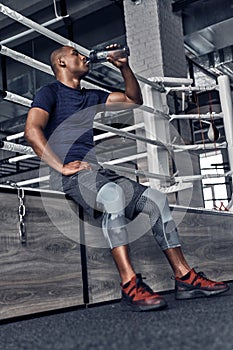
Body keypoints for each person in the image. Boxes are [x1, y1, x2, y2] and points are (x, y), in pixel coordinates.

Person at [25, 44, 229, 312]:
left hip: (94, 172)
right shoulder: (49, 93)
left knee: (156, 199)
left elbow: (134, 100)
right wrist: (61, 166)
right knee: (113, 195)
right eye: (75, 54)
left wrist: (124, 67)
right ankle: (129, 284)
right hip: (69, 176)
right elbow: (32, 130)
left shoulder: (89, 96)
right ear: (61, 62)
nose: (83, 56)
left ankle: (184, 277)